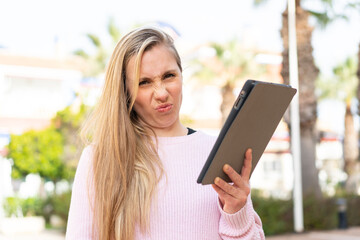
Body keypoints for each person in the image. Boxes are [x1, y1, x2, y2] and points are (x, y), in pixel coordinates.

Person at [66, 26, 265, 240]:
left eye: (168, 76)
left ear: (181, 75)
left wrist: (237, 213)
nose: (161, 93)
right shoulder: (100, 158)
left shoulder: (218, 152)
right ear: (125, 92)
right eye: (144, 82)